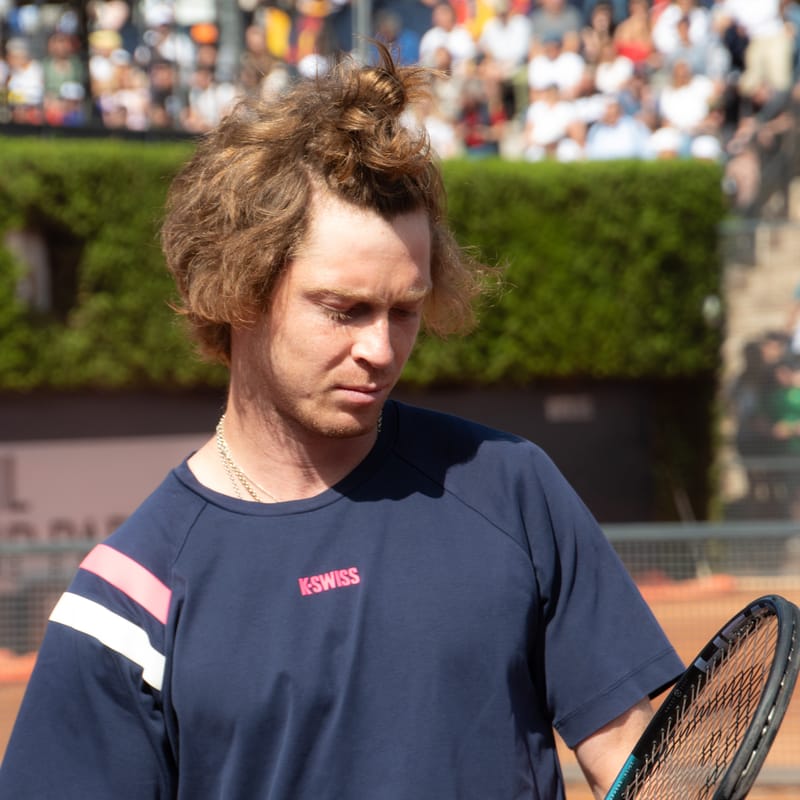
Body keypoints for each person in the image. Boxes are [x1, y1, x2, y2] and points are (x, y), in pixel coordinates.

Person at [0, 44, 683, 800]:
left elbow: (631, 755)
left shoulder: (511, 487)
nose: (380, 349)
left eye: (405, 310)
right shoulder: (127, 603)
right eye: (344, 310)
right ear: (241, 290)